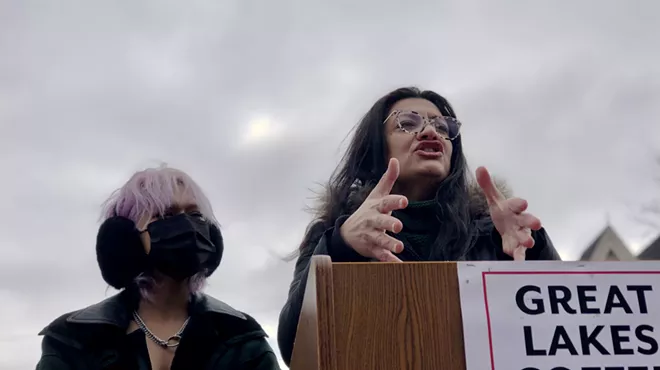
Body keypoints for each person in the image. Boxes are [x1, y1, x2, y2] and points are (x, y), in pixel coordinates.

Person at [277, 87, 562, 365]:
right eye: (406, 123)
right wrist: (341, 245)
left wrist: (533, 247)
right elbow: (294, 348)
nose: (430, 133)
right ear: (376, 147)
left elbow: (562, 328)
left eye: (443, 126)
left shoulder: (493, 235)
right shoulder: (331, 235)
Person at [37, 166, 280, 370]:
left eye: (195, 214)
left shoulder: (242, 339)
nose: (186, 224)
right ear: (127, 237)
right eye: (165, 215)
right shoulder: (71, 340)